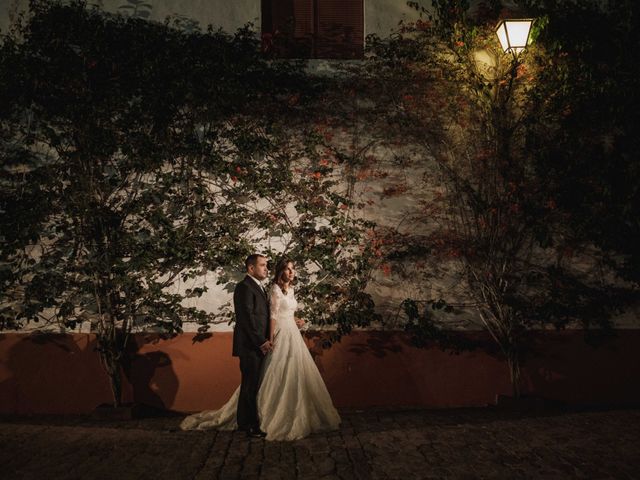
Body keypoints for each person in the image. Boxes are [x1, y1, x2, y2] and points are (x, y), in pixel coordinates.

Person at [180, 256, 341, 441]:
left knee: (255, 383)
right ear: (250, 268)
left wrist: (290, 320)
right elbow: (246, 318)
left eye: (266, 265)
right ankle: (249, 425)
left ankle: (245, 422)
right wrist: (262, 341)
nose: (266, 268)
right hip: (250, 344)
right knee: (251, 385)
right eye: (262, 265)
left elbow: (270, 314)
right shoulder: (244, 287)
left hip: (266, 340)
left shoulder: (260, 287)